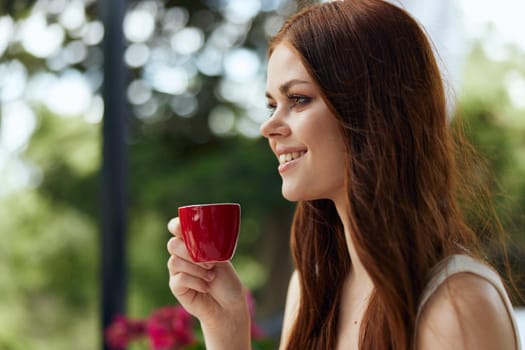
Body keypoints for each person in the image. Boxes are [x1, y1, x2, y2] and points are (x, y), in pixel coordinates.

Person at [167, 0, 522, 349]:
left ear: (373, 110)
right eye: (272, 104)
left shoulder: (458, 308)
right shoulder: (311, 293)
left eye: (299, 99)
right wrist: (225, 324)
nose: (268, 126)